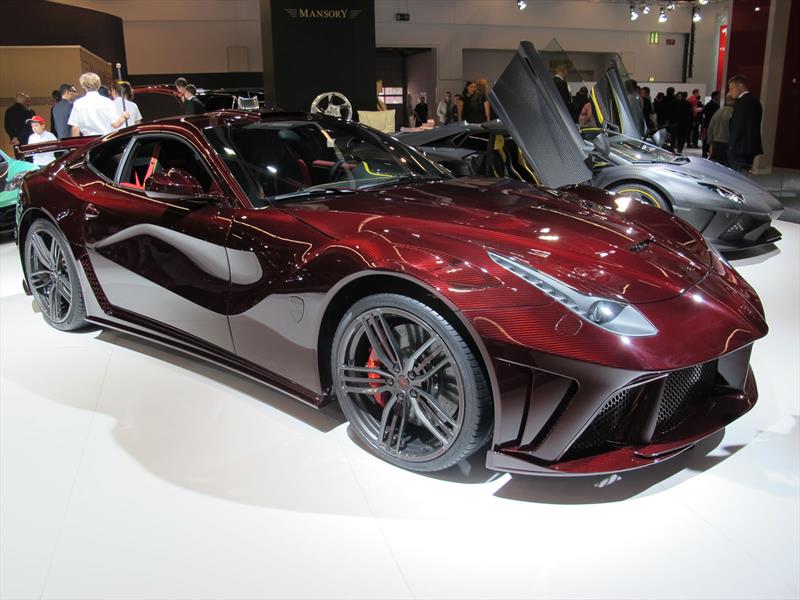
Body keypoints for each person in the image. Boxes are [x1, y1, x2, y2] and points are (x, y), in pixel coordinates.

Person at [68, 72, 130, 136]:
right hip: (105, 139)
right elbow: (115, 124)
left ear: (83, 86)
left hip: (88, 139)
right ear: (99, 85)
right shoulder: (107, 102)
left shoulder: (78, 103)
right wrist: (124, 116)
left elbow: (75, 128)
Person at [727, 75, 763, 172]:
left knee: (736, 176)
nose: (730, 92)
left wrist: (731, 146)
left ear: (740, 86)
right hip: (751, 147)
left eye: (731, 88)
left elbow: (737, 126)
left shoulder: (741, 102)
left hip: (739, 148)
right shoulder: (756, 101)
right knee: (745, 175)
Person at [706, 94, 735, 166]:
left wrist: (710, 142)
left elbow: (711, 127)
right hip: (727, 143)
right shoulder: (734, 113)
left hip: (716, 142)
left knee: (716, 165)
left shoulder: (718, 112)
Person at [701, 91, 720, 158]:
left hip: (707, 124)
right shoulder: (715, 105)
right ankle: (707, 152)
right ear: (715, 96)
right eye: (718, 96)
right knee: (708, 139)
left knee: (707, 139)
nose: (719, 97)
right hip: (710, 124)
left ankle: (705, 153)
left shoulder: (708, 104)